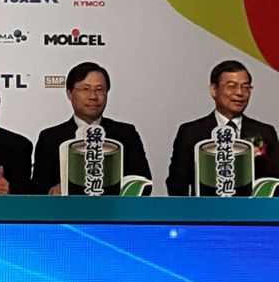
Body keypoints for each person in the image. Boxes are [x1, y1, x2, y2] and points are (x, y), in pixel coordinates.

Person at [31, 62, 152, 195]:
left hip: (114, 208)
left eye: (99, 89)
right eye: (85, 89)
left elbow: (144, 183)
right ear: (69, 93)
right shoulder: (50, 138)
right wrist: (55, 191)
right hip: (64, 208)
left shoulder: (126, 134)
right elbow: (37, 188)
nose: (93, 96)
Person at [166, 60, 279, 196]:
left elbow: (274, 181)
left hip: (251, 209)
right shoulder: (191, 132)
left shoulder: (265, 132)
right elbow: (177, 184)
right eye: (231, 86)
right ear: (214, 90)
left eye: (246, 87)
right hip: (204, 208)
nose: (240, 93)